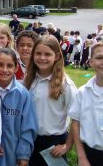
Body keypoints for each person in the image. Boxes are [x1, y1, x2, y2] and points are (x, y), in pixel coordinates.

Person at [24, 35, 77, 166]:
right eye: (38, 53)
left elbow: (78, 118)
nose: (42, 58)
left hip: (54, 143)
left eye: (47, 54)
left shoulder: (66, 85)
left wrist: (67, 146)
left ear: (57, 56)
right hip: (31, 140)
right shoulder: (29, 80)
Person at [0, 48, 38, 166]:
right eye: (0, 65)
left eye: (10, 66)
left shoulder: (23, 94)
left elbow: (29, 127)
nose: (5, 70)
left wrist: (23, 154)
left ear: (16, 68)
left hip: (13, 154)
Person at [69, 42, 103, 166]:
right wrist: (81, 156)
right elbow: (76, 123)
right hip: (89, 154)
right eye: (99, 58)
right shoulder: (83, 92)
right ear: (90, 62)